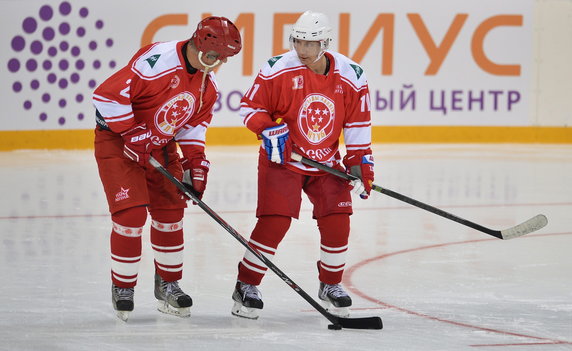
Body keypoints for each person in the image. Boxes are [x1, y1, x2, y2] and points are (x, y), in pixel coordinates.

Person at [92, 16, 241, 321]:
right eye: (212, 56)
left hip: (159, 147)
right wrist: (132, 132)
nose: (215, 64)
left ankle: (168, 284)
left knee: (171, 213)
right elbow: (106, 96)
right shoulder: (157, 61)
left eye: (221, 60)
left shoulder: (205, 84)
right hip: (119, 144)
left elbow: (193, 125)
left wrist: (196, 162)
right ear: (198, 44)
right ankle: (123, 287)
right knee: (131, 215)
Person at [231, 10, 374, 320]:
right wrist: (267, 128)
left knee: (338, 219)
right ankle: (246, 285)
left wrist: (360, 163)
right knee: (276, 221)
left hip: (325, 161)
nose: (303, 51)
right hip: (284, 159)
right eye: (298, 42)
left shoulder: (352, 74)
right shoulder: (276, 69)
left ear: (325, 43)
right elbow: (249, 107)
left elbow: (358, 125)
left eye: (310, 45)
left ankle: (330, 284)